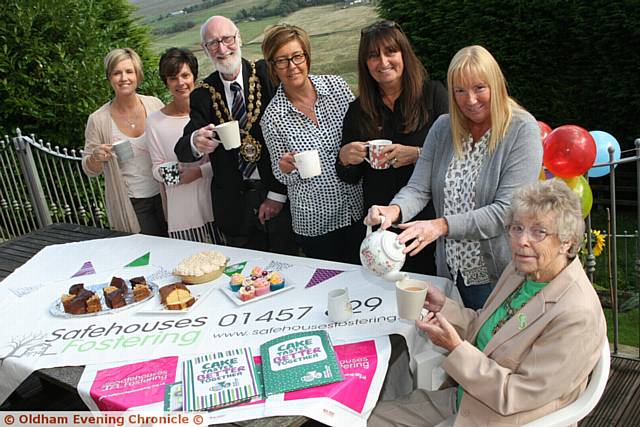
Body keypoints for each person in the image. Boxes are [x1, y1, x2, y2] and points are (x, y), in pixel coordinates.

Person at [368, 179, 607, 426]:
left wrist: (455, 348)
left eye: (539, 232)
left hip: (501, 418)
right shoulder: (519, 270)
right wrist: (444, 307)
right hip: (466, 399)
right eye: (517, 228)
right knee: (368, 419)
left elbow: (513, 395)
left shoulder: (577, 314)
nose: (522, 241)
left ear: (566, 241)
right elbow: (487, 329)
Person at [365, 45, 543, 309]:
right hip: (450, 272)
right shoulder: (443, 128)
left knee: (491, 348)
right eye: (460, 90)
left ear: (496, 83)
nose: (470, 100)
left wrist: (440, 226)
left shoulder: (521, 129)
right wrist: (393, 210)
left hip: (499, 277)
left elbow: (507, 212)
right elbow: (418, 188)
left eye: (479, 88)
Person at [174, 16, 296, 255]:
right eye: (213, 43)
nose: (222, 49)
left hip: (279, 195)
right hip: (234, 209)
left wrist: (277, 196)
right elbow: (182, 149)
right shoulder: (202, 94)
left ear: (238, 38)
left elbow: (291, 133)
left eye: (227, 39)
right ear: (205, 49)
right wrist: (195, 141)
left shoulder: (265, 73)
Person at [337, 20, 448, 275]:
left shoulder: (433, 95)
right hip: (382, 231)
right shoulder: (358, 110)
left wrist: (417, 155)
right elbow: (350, 177)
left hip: (429, 225)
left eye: (390, 52)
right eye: (373, 56)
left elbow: (457, 157)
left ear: (404, 54)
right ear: (365, 64)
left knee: (431, 296)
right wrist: (344, 159)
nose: (383, 61)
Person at [260, 24, 364, 264]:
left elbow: (362, 128)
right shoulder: (273, 117)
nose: (292, 66)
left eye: (297, 56)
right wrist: (286, 168)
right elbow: (281, 174)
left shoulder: (337, 88)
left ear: (306, 56)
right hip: (316, 222)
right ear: (273, 67)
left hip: (357, 209)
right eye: (282, 60)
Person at [83, 48, 166, 236]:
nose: (123, 78)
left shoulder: (154, 105)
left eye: (129, 71)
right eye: (117, 73)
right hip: (132, 202)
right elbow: (89, 169)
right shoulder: (98, 119)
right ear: (109, 78)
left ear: (137, 74)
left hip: (165, 194)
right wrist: (96, 157)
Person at [146, 47, 224, 244]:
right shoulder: (155, 121)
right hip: (182, 213)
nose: (180, 83)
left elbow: (226, 160)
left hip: (216, 205)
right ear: (166, 82)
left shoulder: (211, 111)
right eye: (173, 78)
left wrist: (199, 172)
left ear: (194, 76)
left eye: (185, 75)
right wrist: (175, 173)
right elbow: (155, 168)